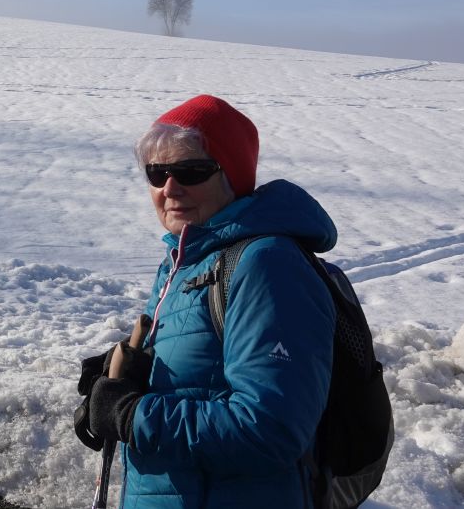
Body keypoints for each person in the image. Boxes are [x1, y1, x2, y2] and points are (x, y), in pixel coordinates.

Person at [78, 94, 337, 508]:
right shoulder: (185, 260)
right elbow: (201, 376)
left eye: (192, 171)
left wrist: (131, 415)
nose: (170, 187)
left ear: (233, 177)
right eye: (157, 173)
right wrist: (123, 381)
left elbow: (270, 429)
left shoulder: (267, 266)